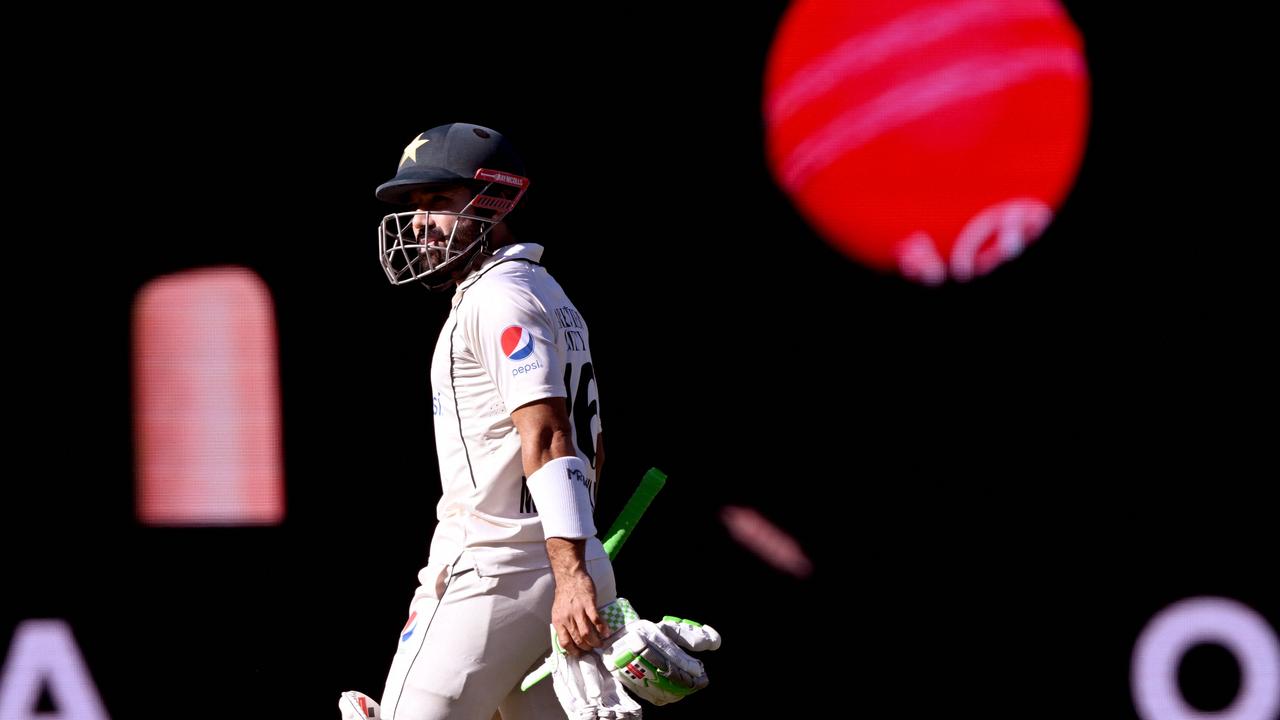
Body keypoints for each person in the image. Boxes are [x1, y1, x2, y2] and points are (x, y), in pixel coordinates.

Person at [348, 122, 616, 720]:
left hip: (495, 573)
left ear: (492, 202)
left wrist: (569, 573)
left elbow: (549, 436)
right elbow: (593, 450)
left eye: (438, 202)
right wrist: (580, 565)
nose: (419, 222)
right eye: (415, 207)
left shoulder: (498, 297)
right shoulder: (546, 291)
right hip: (560, 564)